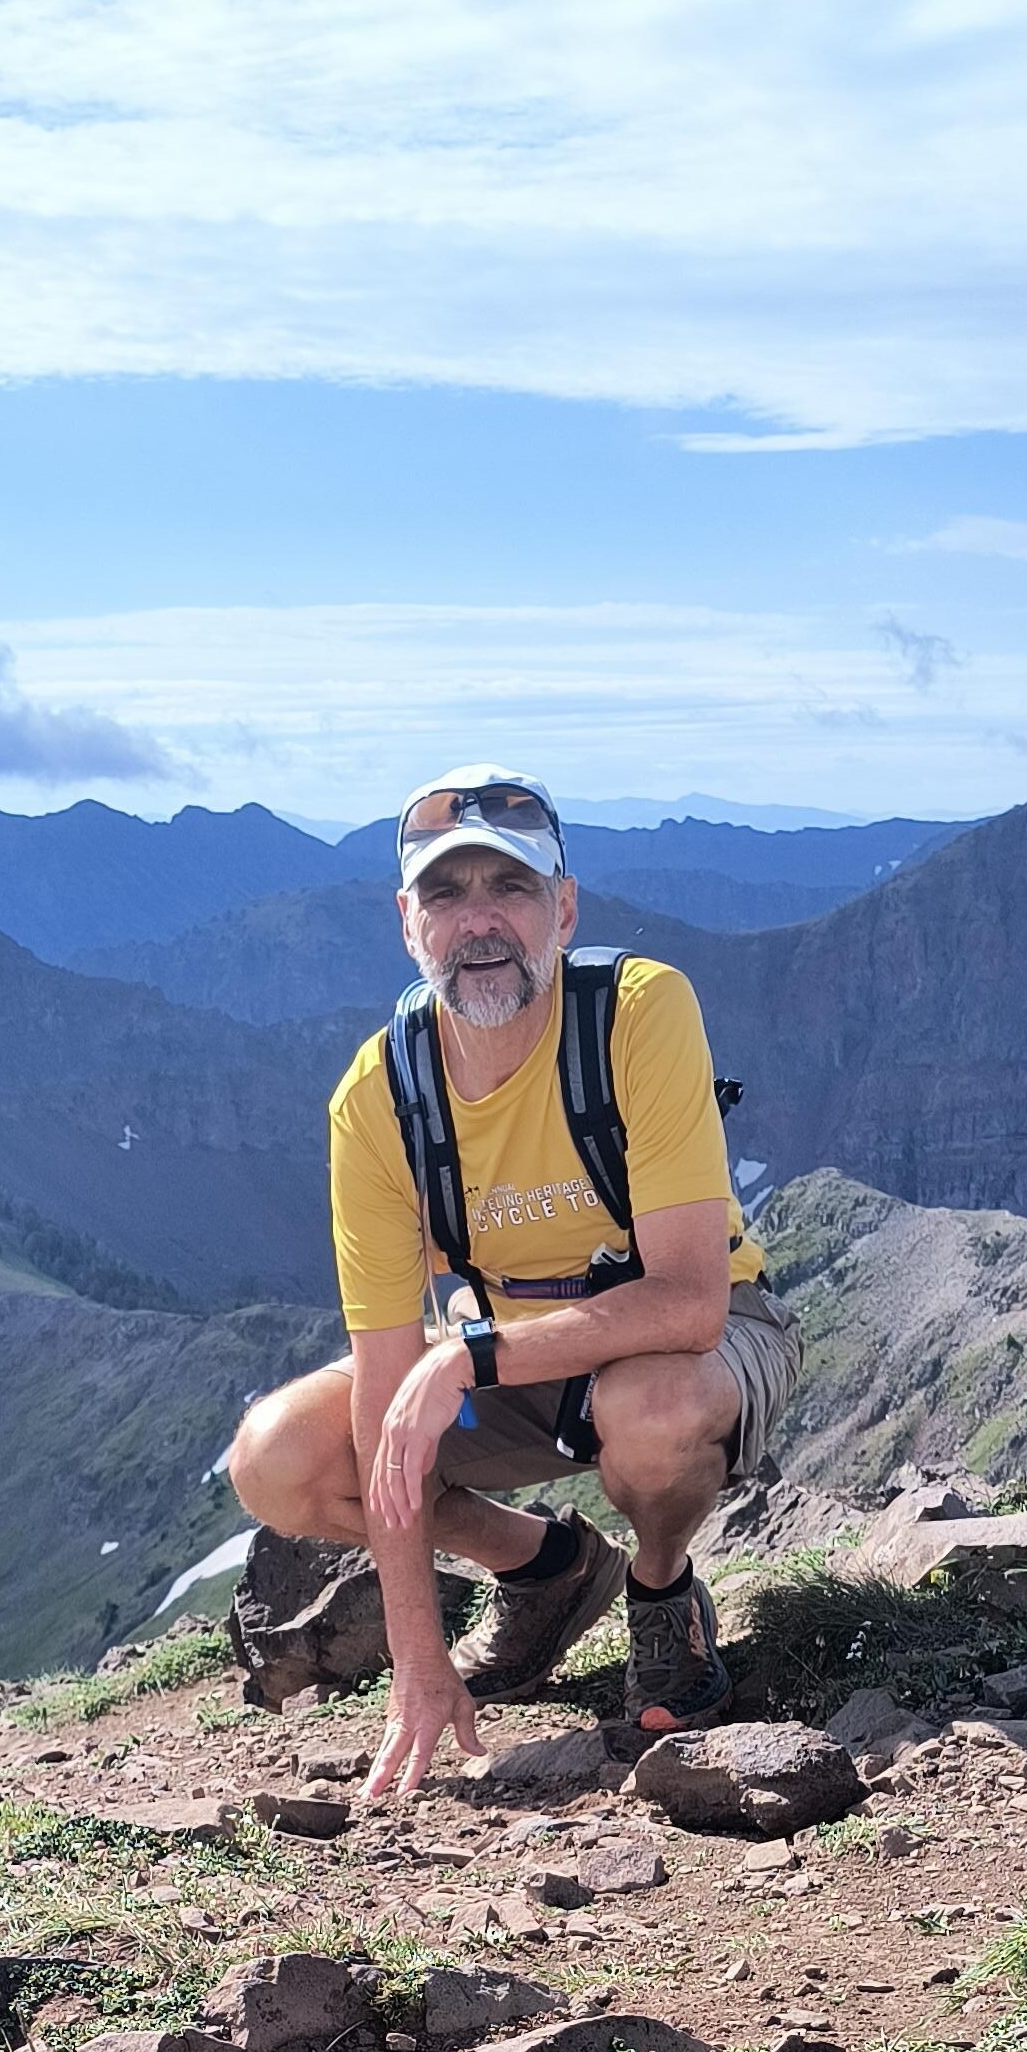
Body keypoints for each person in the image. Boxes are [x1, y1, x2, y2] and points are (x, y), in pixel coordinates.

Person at [227, 764, 798, 1802]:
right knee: (279, 1461)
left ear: (563, 909)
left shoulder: (640, 1014)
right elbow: (382, 1386)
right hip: (509, 1363)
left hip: (691, 1341)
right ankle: (544, 1569)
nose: (479, 922)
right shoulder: (377, 1101)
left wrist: (473, 1355)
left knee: (654, 1406)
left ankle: (661, 1590)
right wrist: (416, 1657)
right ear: (408, 924)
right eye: (447, 895)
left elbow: (689, 1300)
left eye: (511, 889)